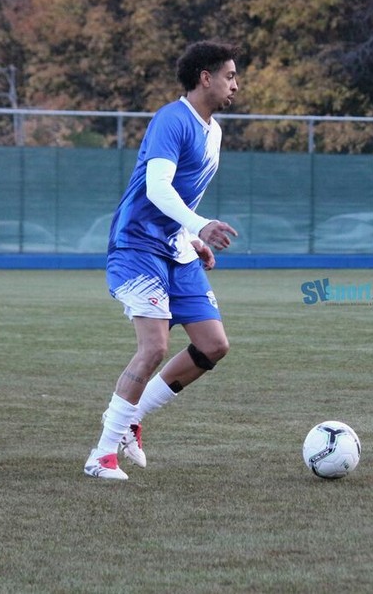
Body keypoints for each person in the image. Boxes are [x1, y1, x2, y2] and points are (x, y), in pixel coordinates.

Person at [84, 40, 241, 480]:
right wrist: (201, 225)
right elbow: (157, 188)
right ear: (205, 78)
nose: (236, 85)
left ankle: (132, 417)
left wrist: (190, 236)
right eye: (229, 76)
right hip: (137, 246)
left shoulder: (214, 132)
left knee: (213, 345)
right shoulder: (172, 119)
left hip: (174, 247)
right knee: (153, 346)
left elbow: (181, 195)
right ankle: (101, 455)